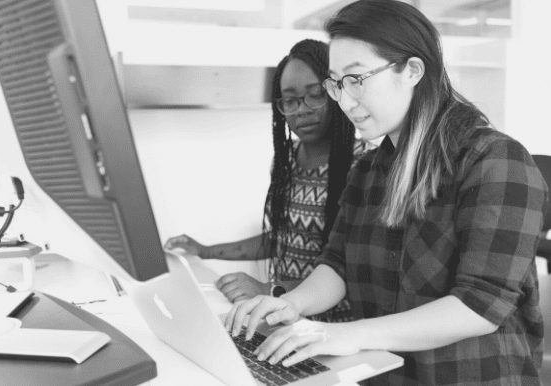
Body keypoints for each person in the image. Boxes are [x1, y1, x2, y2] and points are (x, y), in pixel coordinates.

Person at [224, 1, 549, 385]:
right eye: (336, 83)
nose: (344, 100)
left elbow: (480, 305)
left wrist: (348, 334)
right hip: (385, 374)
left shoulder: (494, 160)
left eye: (356, 78)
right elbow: (337, 264)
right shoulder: (367, 170)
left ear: (412, 71)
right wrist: (287, 304)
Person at [165, 39, 372, 323]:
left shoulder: (364, 165)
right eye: (290, 100)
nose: (301, 109)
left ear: (335, 92)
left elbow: (350, 270)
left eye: (315, 95)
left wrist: (269, 290)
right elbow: (282, 238)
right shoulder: (285, 161)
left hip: (335, 327)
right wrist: (204, 250)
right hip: (284, 318)